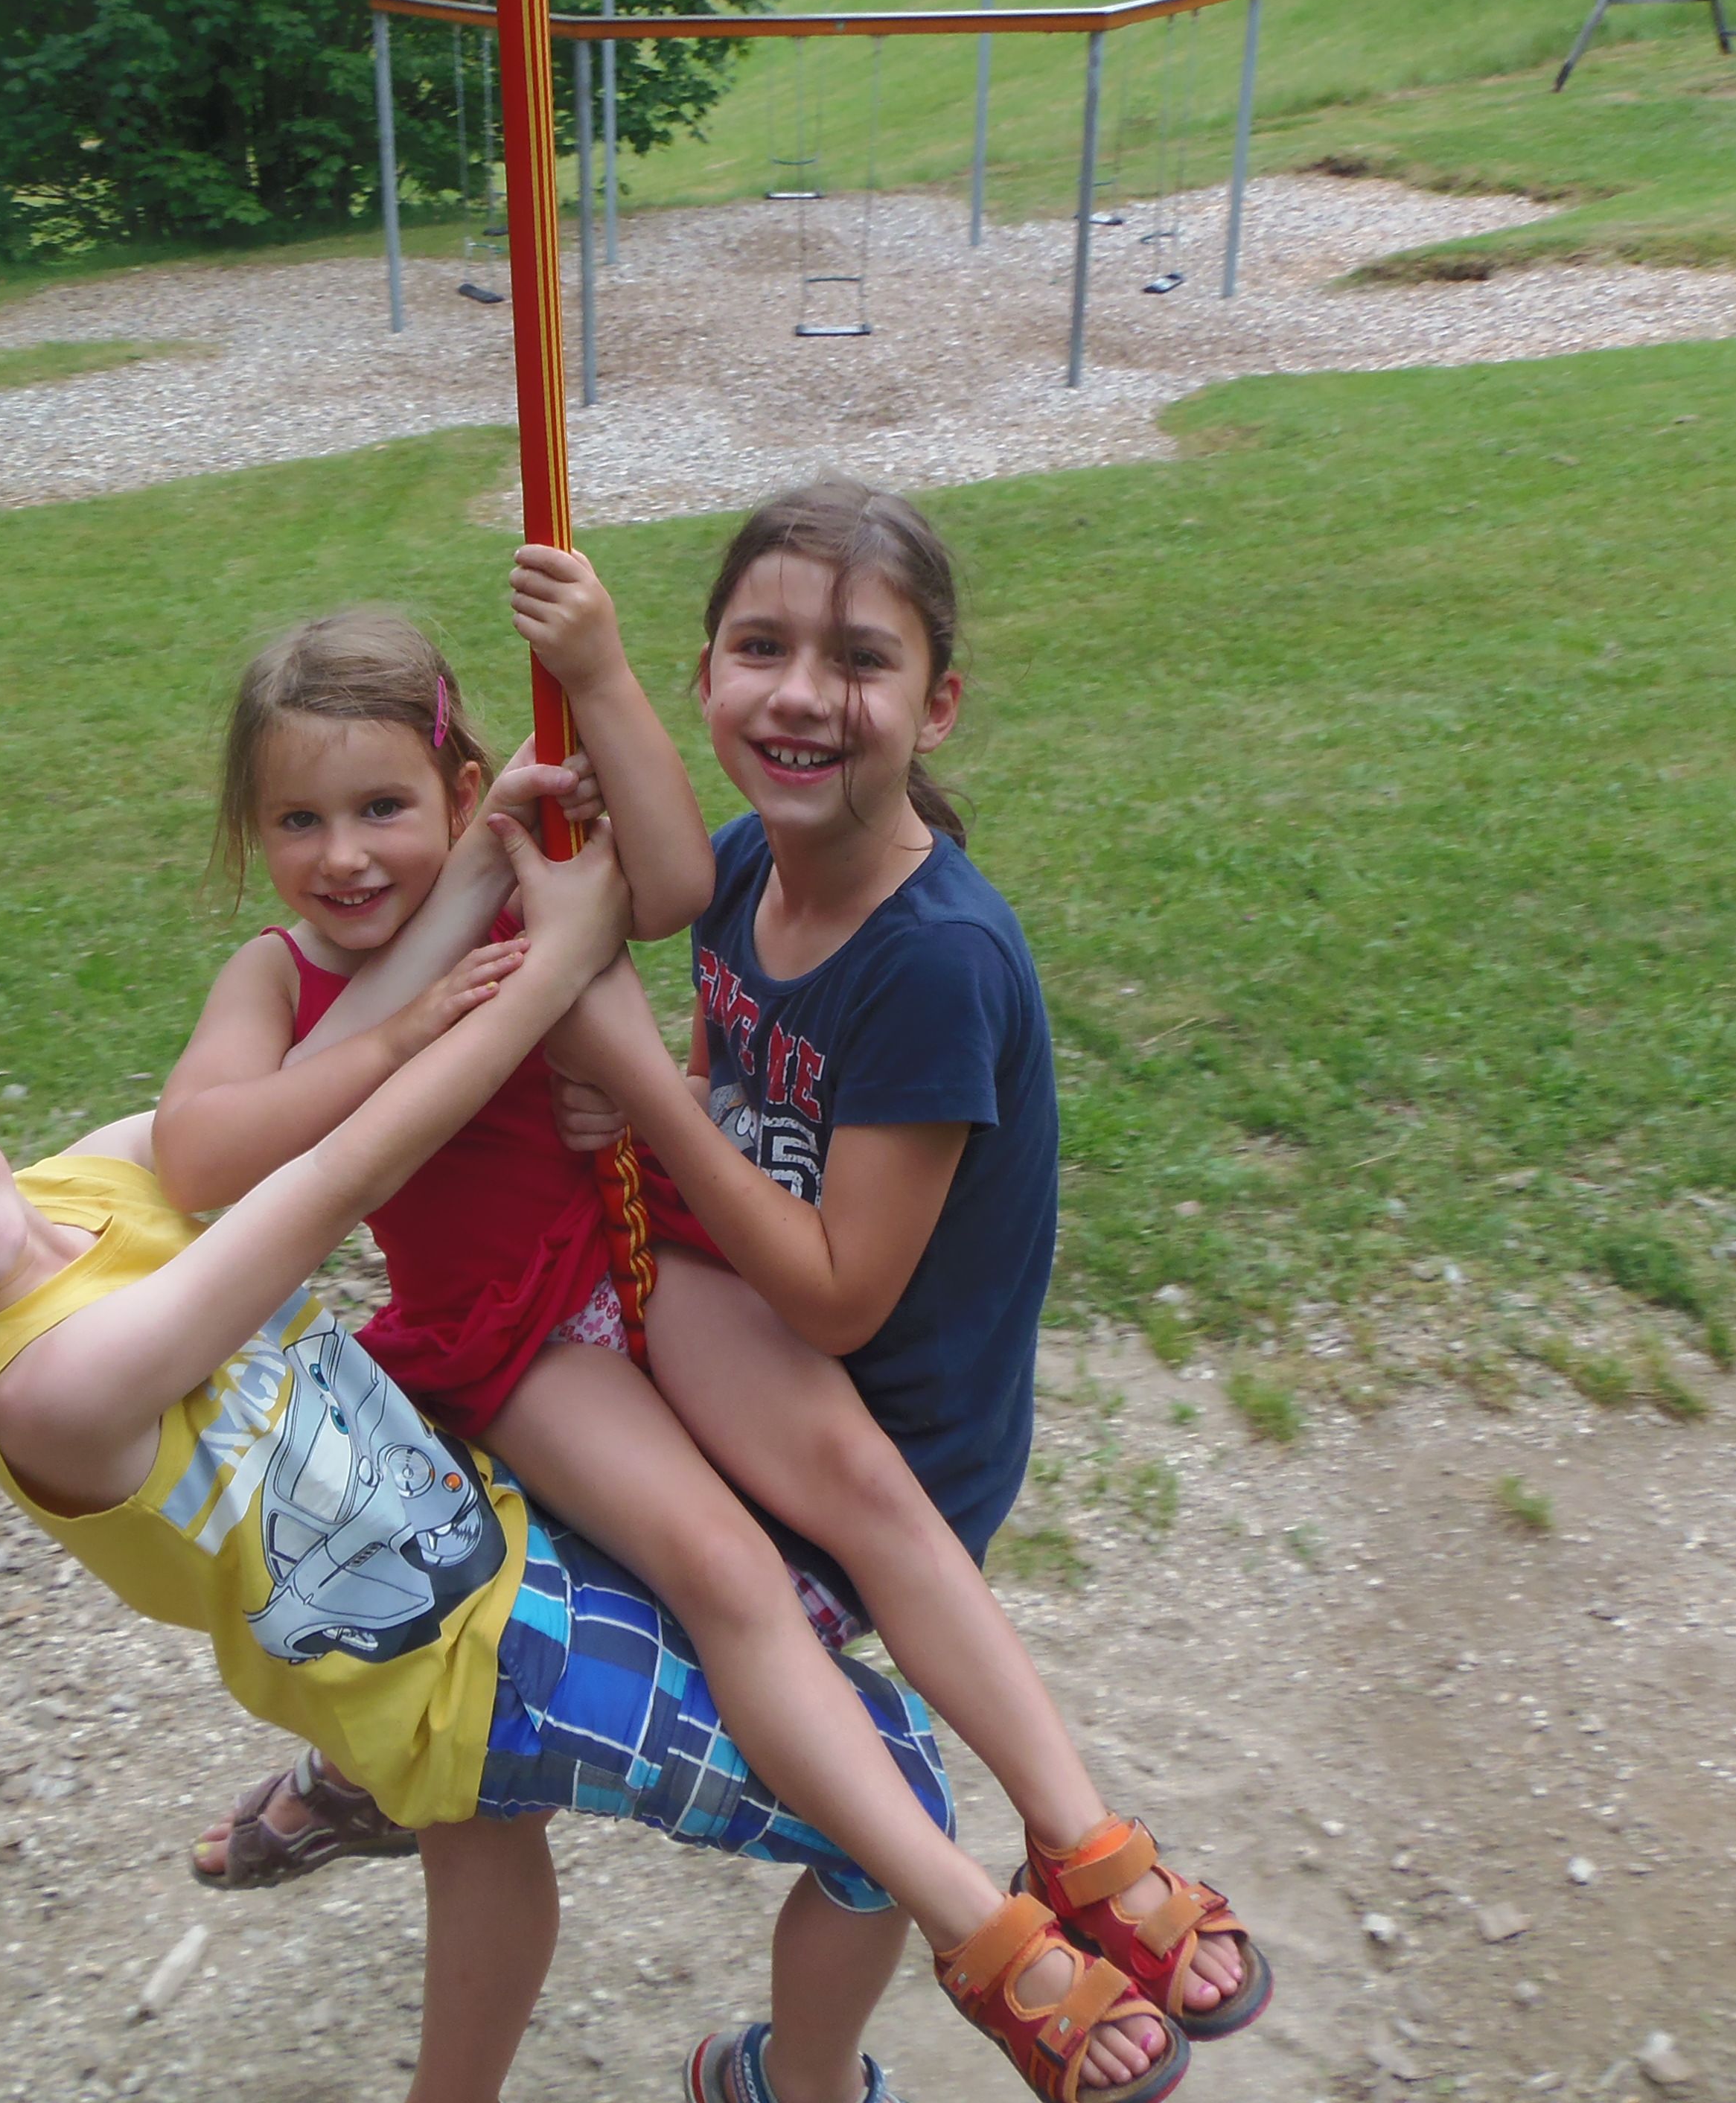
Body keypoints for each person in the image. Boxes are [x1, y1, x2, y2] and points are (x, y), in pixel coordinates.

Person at [0, 826, 1171, 2103]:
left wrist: (486, 859)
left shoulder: (84, 1184)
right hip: (464, 1671)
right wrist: (547, 974)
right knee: (886, 1783)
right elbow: (321, 1177)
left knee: (494, 1854)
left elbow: (302, 1075)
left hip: (455, 1569)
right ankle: (816, 2065)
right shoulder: (38, 1391)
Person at [161, 526, 1258, 2101]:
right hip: (517, 1331)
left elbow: (673, 884)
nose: (345, 856)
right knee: (726, 1572)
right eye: (298, 821)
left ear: (459, 792)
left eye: (382, 807)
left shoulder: (517, 878)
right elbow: (203, 1155)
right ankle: (977, 1927)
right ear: (252, 834)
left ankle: (1081, 1838)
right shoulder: (275, 980)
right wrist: (400, 1038)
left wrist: (597, 672)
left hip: (639, 1245)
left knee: (869, 1489)